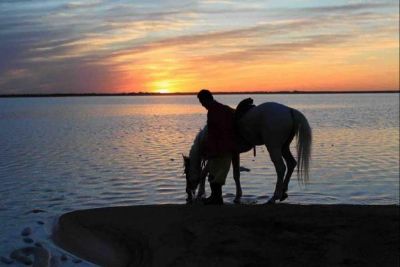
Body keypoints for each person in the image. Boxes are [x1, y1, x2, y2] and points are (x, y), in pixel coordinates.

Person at [197, 89, 236, 205]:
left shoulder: (214, 111)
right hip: (224, 147)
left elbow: (215, 133)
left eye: (202, 102)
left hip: (221, 148)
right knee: (215, 173)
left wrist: (211, 150)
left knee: (216, 175)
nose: (202, 105)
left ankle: (216, 198)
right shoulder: (223, 108)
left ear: (206, 100)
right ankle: (215, 197)